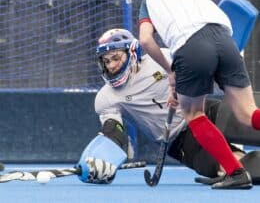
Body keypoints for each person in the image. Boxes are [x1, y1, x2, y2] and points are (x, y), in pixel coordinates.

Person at [76, 28, 260, 186]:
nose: (112, 65)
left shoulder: (163, 57)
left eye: (115, 57)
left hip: (202, 110)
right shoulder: (106, 97)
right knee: (235, 166)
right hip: (180, 140)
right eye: (106, 61)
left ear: (131, 52)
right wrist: (102, 158)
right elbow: (113, 130)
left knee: (251, 121)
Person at [138, 0, 260, 189]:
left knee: (194, 114)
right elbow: (213, 40)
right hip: (226, 44)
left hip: (192, 47)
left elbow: (145, 40)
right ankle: (232, 172)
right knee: (247, 113)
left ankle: (235, 173)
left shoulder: (152, 0)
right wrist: (179, 82)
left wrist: (169, 69)